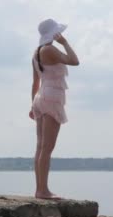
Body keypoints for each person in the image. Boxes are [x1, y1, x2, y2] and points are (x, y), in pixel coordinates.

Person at [29, 18, 79, 199]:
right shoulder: (50, 49)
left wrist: (32, 105)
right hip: (52, 97)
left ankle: (39, 189)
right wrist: (64, 43)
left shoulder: (36, 52)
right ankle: (43, 190)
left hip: (40, 97)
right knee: (47, 148)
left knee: (40, 147)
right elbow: (74, 61)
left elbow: (35, 82)